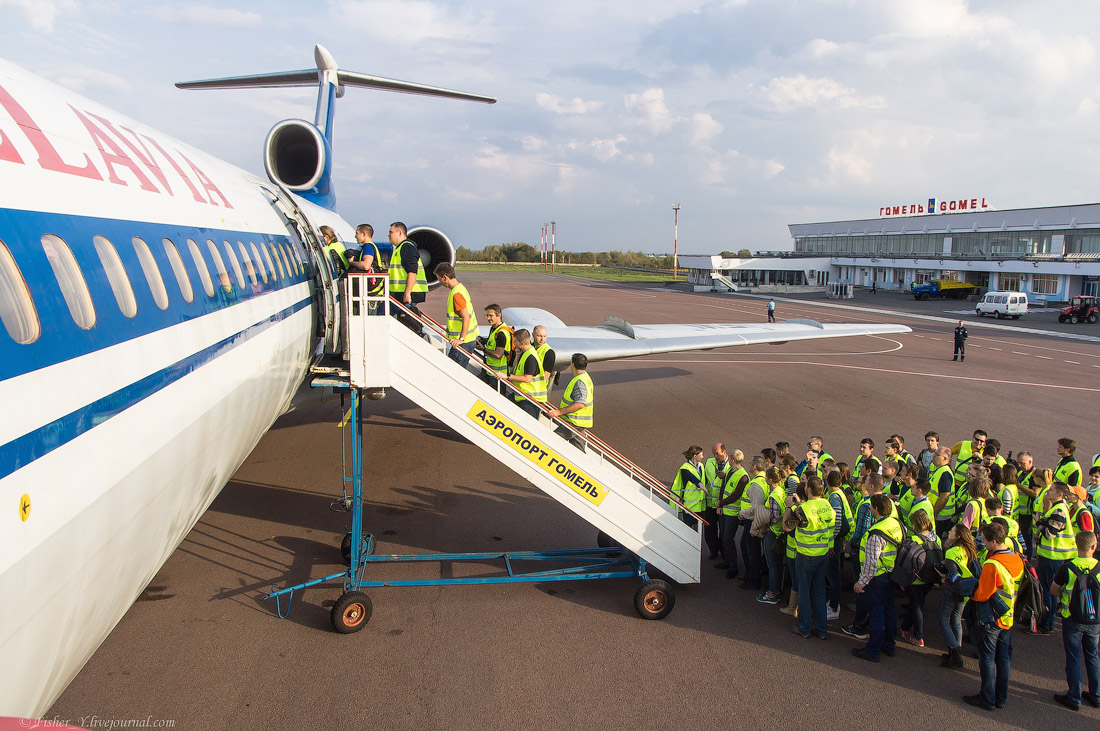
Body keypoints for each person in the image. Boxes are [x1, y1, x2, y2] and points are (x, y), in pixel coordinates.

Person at [964, 521, 1024, 711]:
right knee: (1003, 658)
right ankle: (1001, 697)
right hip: (1008, 614)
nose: (983, 542)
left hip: (992, 617)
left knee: (987, 658)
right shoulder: (1017, 558)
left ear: (994, 541)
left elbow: (982, 594)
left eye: (985, 540)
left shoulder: (992, 564)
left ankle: (987, 697)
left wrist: (970, 591)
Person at [1050, 531, 1100, 711]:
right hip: (1094, 619)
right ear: (1094, 546)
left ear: (1077, 546)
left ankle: (1074, 697)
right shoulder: (1099, 567)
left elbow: (1054, 590)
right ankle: (1096, 695)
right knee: (1093, 656)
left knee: (1073, 657)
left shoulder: (1068, 568)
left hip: (1071, 618)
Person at [850, 494, 902, 661]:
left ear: (876, 510)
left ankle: (873, 650)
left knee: (877, 613)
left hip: (878, 577)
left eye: (872, 506)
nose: (870, 508)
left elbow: (871, 563)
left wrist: (861, 582)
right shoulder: (896, 524)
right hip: (891, 573)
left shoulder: (875, 534)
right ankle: (889, 644)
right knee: (889, 610)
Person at [785, 474, 834, 639]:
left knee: (804, 593)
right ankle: (821, 630)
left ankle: (805, 628)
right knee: (819, 593)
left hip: (806, 555)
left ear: (809, 489)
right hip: (823, 553)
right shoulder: (827, 504)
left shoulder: (802, 510)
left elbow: (787, 526)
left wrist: (788, 507)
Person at [1036, 483, 1077, 634]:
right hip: (1054, 556)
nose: (1048, 491)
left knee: (1047, 591)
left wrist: (1041, 524)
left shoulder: (1059, 510)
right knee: (1049, 591)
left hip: (1053, 557)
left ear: (1060, 494)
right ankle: (1048, 623)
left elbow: (1049, 534)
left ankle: (1046, 624)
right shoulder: (1060, 508)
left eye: (1051, 490)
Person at [938, 523, 979, 669]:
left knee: (943, 619)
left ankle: (955, 653)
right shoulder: (969, 550)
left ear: (958, 536)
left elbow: (953, 574)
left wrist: (943, 575)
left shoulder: (951, 552)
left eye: (952, 530)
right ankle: (956, 648)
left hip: (953, 589)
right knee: (956, 618)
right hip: (967, 589)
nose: (949, 531)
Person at [899, 511, 940, 648]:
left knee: (917, 606)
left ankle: (918, 636)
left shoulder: (915, 540)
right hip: (931, 577)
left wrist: (902, 581)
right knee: (917, 603)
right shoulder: (936, 538)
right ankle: (904, 627)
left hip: (916, 579)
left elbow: (907, 563)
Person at [433, 263, 477, 367]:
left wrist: (460, 339)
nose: (439, 281)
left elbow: (466, 317)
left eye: (439, 279)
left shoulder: (456, 294)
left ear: (445, 277)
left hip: (463, 343)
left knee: (452, 372)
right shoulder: (460, 288)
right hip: (467, 340)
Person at [547, 353, 593, 452]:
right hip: (580, 422)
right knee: (578, 451)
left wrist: (558, 412)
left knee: (552, 441)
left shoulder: (579, 381)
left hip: (574, 421)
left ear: (572, 364)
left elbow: (580, 404)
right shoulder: (586, 377)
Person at [758, 466, 790, 606]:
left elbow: (775, 518)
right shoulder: (781, 491)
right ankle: (775, 590)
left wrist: (765, 524)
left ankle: (772, 593)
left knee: (772, 565)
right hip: (780, 534)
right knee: (777, 565)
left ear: (770, 480)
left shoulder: (773, 496)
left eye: (766, 478)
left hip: (773, 533)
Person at [387, 222, 428, 331]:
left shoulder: (406, 248)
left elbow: (412, 271)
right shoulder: (401, 248)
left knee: (406, 325)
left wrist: (407, 293)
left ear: (400, 233)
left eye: (391, 232)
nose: (388, 235)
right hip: (400, 294)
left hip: (407, 295)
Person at [716, 451, 749, 579]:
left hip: (733, 513)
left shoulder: (743, 476)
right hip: (725, 511)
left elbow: (736, 495)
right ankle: (727, 561)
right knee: (723, 537)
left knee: (728, 539)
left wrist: (721, 502)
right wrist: (720, 505)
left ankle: (733, 567)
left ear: (733, 460)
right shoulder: (730, 470)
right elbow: (723, 487)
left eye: (730, 458)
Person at [825, 470, 853, 621]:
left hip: (835, 541)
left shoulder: (834, 497)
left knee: (834, 574)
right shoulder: (840, 493)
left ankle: (834, 606)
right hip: (841, 538)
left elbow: (836, 522)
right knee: (835, 572)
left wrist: (830, 543)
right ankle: (834, 603)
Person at [738, 458, 769, 592]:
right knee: (748, 548)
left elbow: (756, 507)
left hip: (752, 521)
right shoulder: (763, 481)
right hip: (756, 520)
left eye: (750, 464)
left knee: (751, 551)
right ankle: (750, 576)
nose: (749, 466)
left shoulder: (756, 485)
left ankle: (753, 579)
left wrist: (743, 513)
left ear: (755, 466)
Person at [501, 329, 546, 419]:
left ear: (521, 343)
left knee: (528, 426)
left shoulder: (530, 357)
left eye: (515, 341)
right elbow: (514, 370)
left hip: (530, 399)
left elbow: (527, 379)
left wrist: (507, 377)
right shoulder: (524, 353)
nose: (513, 343)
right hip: (522, 396)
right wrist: (517, 356)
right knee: (503, 408)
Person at [701, 444, 730, 560]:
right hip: (709, 503)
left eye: (717, 454)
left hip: (722, 504)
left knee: (724, 533)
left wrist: (726, 476)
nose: (715, 456)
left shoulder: (731, 465)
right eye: (714, 454)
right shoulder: (709, 462)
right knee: (709, 532)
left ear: (725, 452)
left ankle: (724, 554)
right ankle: (713, 551)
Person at [671, 446, 706, 529]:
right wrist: (699, 484)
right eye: (701, 455)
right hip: (689, 505)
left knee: (698, 528)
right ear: (695, 456)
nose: (702, 457)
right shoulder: (685, 467)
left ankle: (696, 542)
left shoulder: (701, 466)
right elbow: (690, 477)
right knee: (688, 528)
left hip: (700, 504)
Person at [478, 304, 512, 388]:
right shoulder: (494, 328)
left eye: (491, 315)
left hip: (497, 374)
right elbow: (494, 343)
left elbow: (498, 354)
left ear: (499, 315)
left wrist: (483, 349)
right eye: (487, 315)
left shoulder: (501, 333)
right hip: (489, 370)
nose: (488, 318)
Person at [929, 447, 958, 537]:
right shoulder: (940, 470)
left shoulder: (945, 474)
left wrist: (934, 513)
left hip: (941, 516)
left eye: (937, 454)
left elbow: (944, 497)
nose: (934, 456)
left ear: (945, 459)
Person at [532, 325, 557, 396]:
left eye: (544, 336)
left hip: (537, 391)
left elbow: (546, 376)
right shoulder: (529, 347)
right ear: (533, 335)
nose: (542, 339)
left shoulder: (549, 352)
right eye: (539, 336)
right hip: (525, 387)